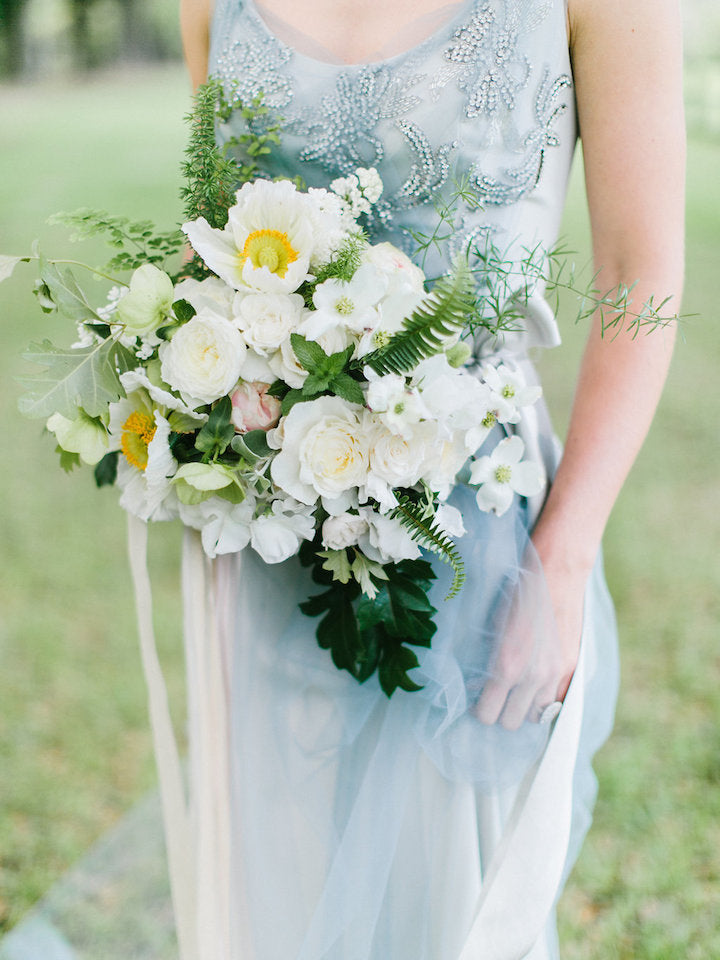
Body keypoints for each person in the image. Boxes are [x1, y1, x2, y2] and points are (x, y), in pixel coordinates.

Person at [173, 0, 684, 958]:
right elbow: (211, 236)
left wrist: (565, 558)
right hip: (275, 532)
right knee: (282, 897)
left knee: (458, 910)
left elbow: (638, 271)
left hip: (477, 537)